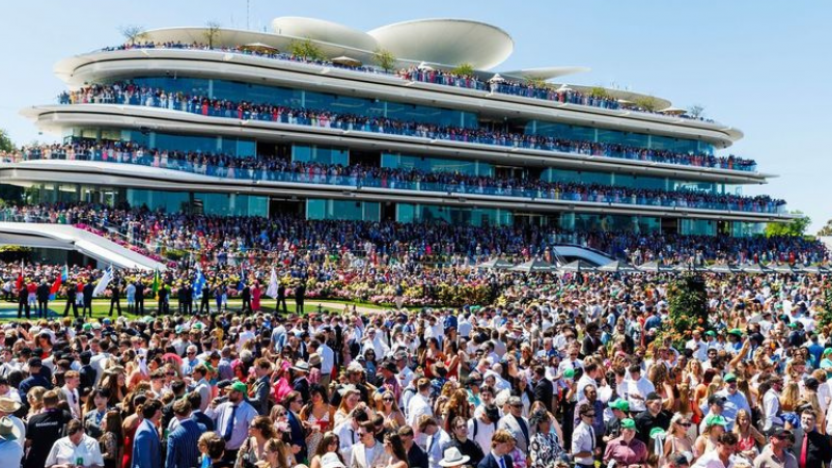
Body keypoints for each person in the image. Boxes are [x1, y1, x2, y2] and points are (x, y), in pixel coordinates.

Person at [207, 381, 259, 461]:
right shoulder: (223, 406)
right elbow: (208, 417)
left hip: (238, 453)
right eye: (229, 391)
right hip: (220, 450)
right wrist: (211, 407)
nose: (229, 394)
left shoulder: (250, 411)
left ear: (241, 394)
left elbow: (254, 433)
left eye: (233, 391)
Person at [24, 390, 71, 468]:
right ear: (57, 402)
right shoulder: (65, 416)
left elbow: (28, 442)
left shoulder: (34, 419)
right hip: (58, 460)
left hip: (38, 460)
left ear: (43, 403)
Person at [166, 399, 206, 468]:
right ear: (190, 411)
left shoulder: (173, 436)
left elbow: (170, 463)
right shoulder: (203, 428)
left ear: (175, 414)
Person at [132, 399, 163, 468]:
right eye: (161, 409)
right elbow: (144, 462)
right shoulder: (145, 432)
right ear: (157, 412)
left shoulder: (151, 427)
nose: (162, 412)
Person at [572, 403, 599, 468]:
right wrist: (592, 453)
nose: (592, 418)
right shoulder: (579, 432)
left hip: (591, 465)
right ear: (582, 416)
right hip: (581, 466)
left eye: (594, 415)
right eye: (589, 416)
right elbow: (575, 453)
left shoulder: (591, 428)